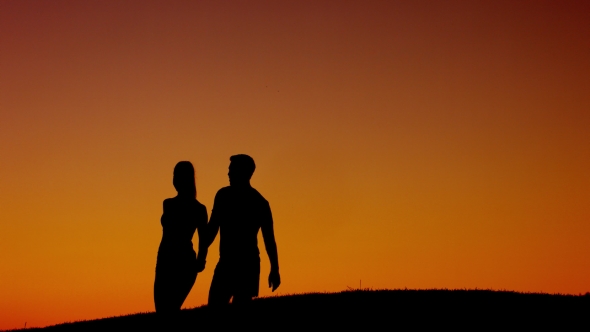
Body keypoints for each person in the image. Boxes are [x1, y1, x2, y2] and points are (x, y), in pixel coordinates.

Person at [205, 154, 281, 305]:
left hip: (247, 265)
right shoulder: (225, 196)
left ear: (245, 172)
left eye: (232, 169)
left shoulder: (258, 202)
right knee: (215, 307)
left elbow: (269, 240)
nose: (229, 173)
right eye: (229, 169)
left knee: (236, 310)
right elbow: (212, 230)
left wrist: (275, 269)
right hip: (230, 263)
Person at [154, 161, 208, 314]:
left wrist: (201, 260)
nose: (176, 180)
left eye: (180, 176)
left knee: (170, 309)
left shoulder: (199, 209)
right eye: (175, 176)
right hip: (164, 259)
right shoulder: (168, 204)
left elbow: (203, 239)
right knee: (161, 310)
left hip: (184, 261)